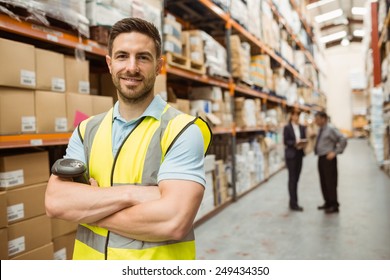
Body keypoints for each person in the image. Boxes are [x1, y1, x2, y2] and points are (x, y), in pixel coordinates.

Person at [45, 17, 212, 260]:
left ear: (159, 66)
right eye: (122, 56)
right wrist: (133, 194)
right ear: (110, 64)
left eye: (143, 57)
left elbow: (174, 221)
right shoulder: (86, 130)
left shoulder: (183, 130)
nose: (131, 67)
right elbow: (55, 202)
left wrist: (88, 206)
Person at [314, 111, 347, 214]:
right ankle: (327, 202)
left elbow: (343, 139)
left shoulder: (330, 129)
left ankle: (334, 205)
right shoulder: (321, 129)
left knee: (330, 182)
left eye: (317, 119)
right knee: (323, 182)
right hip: (321, 158)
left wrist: (335, 152)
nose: (315, 121)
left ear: (324, 119)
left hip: (329, 159)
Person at [283, 109, 307, 211]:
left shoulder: (302, 127)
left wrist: (302, 143)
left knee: (296, 178)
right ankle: (294, 203)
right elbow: (285, 141)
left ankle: (292, 201)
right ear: (291, 116)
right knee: (292, 179)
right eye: (294, 115)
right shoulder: (287, 128)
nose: (296, 117)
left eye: (298, 115)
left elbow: (304, 138)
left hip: (299, 154)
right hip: (291, 155)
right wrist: (294, 143)